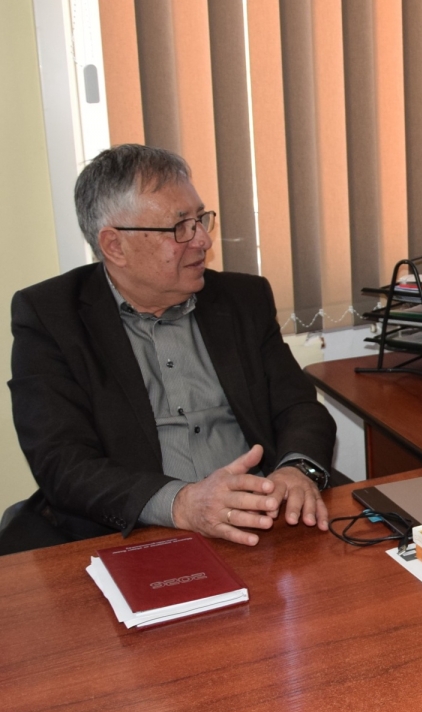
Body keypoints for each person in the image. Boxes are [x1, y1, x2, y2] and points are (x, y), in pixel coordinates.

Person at [5, 144, 337, 551]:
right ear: (114, 246)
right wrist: (180, 504)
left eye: (200, 219)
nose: (203, 239)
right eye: (180, 227)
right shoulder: (50, 316)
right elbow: (62, 462)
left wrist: (296, 470)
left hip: (261, 519)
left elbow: (298, 406)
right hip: (134, 533)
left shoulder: (242, 299)